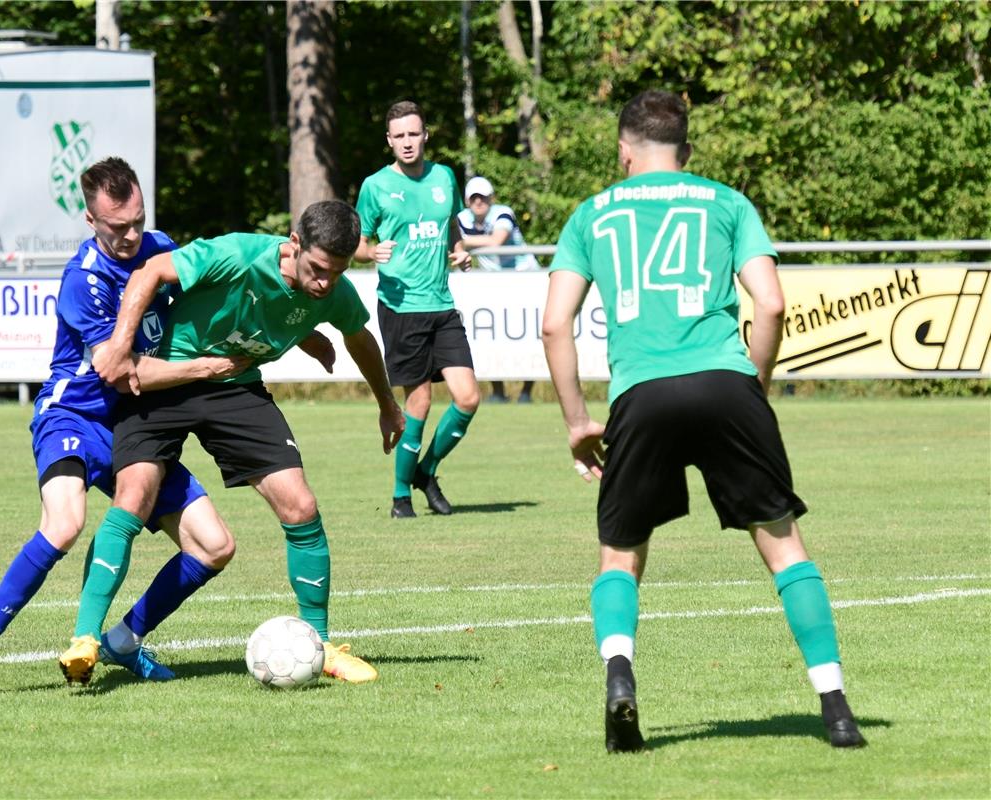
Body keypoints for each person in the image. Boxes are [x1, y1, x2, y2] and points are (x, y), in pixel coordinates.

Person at [541, 90, 865, 752]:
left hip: (641, 394)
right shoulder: (725, 202)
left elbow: (554, 324)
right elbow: (770, 305)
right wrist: (755, 384)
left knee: (621, 554)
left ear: (624, 152)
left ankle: (620, 676)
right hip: (726, 383)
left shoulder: (590, 215)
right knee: (782, 544)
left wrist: (578, 421)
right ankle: (835, 707)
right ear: (686, 153)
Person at [0, 157, 310, 692]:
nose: (132, 235)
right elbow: (122, 373)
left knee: (214, 545)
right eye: (119, 227)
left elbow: (219, 289)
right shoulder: (83, 282)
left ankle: (124, 640)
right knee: (65, 524)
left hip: (136, 423)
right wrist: (205, 368)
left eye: (138, 220)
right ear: (91, 221)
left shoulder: (159, 247)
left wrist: (294, 322)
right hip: (75, 416)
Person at [61, 199, 404, 686]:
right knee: (133, 496)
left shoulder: (332, 291)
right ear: (294, 243)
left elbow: (360, 336)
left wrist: (388, 405)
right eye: (318, 269)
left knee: (300, 506)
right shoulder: (238, 253)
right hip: (169, 378)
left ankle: (321, 643)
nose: (326, 283)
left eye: (338, 272)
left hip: (235, 389)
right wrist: (120, 345)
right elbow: (151, 273)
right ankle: (85, 639)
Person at [353, 100, 478, 519]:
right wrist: (372, 251)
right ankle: (399, 497)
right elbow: (357, 241)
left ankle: (426, 471)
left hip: (442, 305)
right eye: (399, 136)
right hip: (401, 307)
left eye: (413, 134)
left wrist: (458, 252)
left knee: (468, 398)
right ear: (388, 141)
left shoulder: (444, 176)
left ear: (426, 135)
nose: (407, 142)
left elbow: (451, 225)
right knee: (419, 403)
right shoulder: (375, 186)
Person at [456, 175, 540, 404]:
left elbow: (497, 240)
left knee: (530, 335)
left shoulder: (503, 212)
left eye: (483, 197)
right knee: (490, 337)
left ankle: (526, 392)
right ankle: (499, 391)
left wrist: (464, 241)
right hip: (493, 284)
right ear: (467, 201)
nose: (479, 202)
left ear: (491, 198)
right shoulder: (462, 219)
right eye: (474, 198)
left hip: (524, 278)